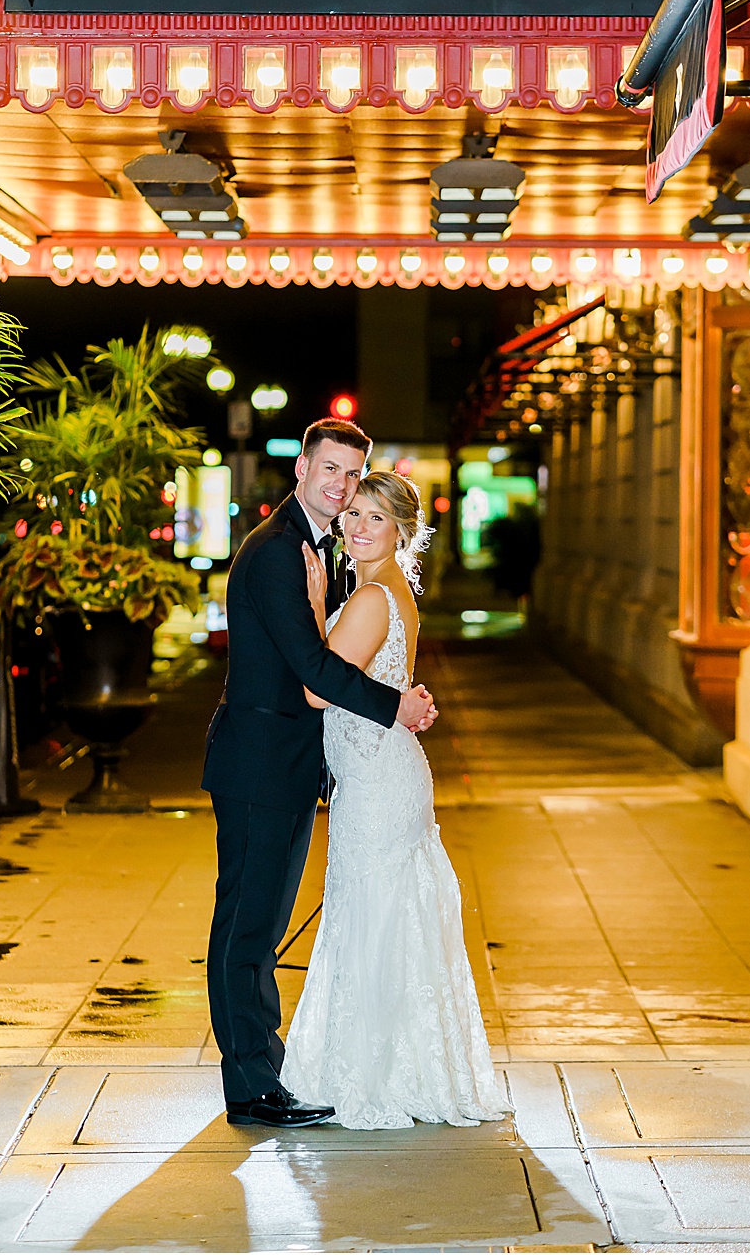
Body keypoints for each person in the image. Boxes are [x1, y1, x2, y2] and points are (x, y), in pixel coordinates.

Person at [203, 418, 439, 1129]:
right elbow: (313, 670)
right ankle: (250, 1085)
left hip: (293, 769)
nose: (339, 486)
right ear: (302, 467)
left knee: (264, 924)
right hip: (259, 767)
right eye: (330, 470)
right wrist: (393, 704)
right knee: (247, 926)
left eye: (351, 474)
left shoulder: (321, 550)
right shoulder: (278, 551)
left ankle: (266, 1070)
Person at [279, 469, 509, 1129]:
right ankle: (402, 1069)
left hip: (379, 783)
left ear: (401, 531)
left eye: (374, 518)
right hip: (382, 773)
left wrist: (318, 606)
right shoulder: (390, 591)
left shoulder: (372, 598)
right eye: (352, 513)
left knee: (375, 918)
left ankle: (376, 1076)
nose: (356, 526)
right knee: (383, 916)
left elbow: (318, 689)